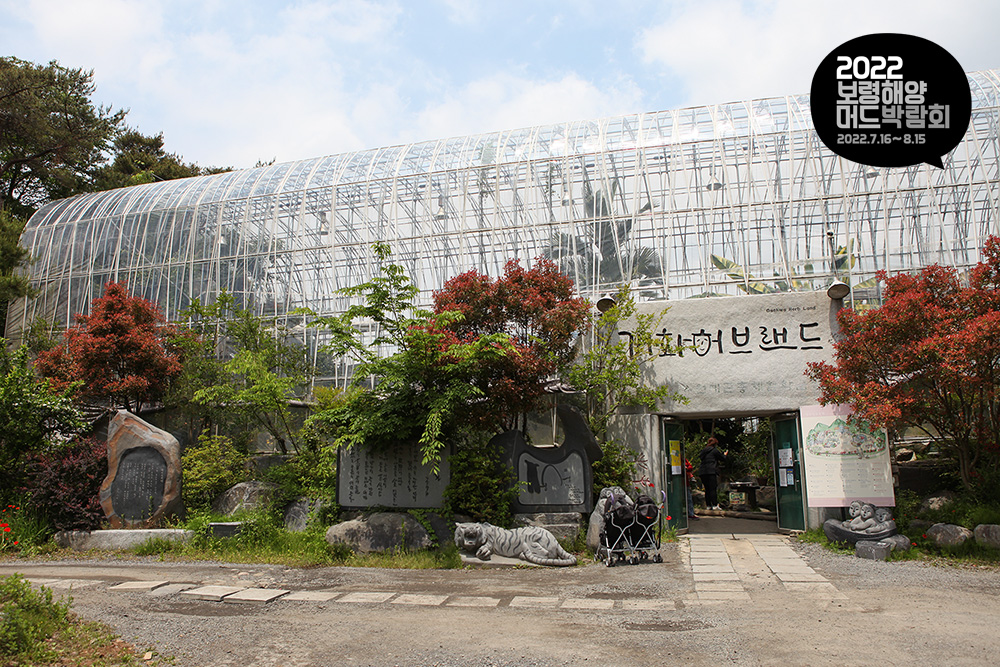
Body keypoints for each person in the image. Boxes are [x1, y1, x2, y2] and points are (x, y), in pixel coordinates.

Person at [697, 436, 728, 511]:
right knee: (712, 488)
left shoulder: (703, 451)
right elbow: (722, 458)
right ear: (715, 444)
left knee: (707, 489)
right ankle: (714, 505)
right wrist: (725, 454)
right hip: (711, 471)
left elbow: (700, 457)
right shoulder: (714, 451)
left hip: (703, 472)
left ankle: (708, 505)